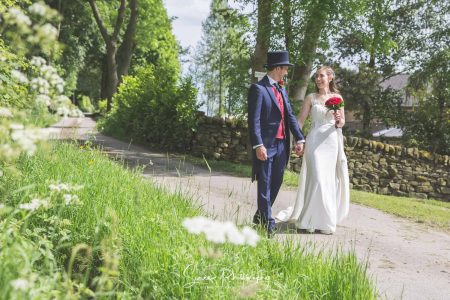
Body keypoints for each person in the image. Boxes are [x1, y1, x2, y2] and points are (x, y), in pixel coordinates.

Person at [276, 65, 349, 234]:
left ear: (330, 78)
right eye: (316, 76)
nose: (318, 79)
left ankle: (325, 222)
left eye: (321, 76)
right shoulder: (311, 97)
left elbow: (342, 122)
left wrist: (339, 119)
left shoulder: (338, 98)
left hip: (331, 141)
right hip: (315, 140)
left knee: (327, 180)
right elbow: (300, 121)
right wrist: (298, 139)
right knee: (316, 178)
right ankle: (308, 220)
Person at [248, 50, 305, 237]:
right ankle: (269, 223)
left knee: (276, 182)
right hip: (266, 145)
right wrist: (258, 145)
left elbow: (289, 116)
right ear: (278, 68)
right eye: (285, 68)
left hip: (282, 145)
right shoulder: (259, 89)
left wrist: (299, 138)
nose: (287, 72)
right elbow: (254, 120)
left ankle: (260, 216)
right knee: (264, 182)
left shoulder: (282, 89)